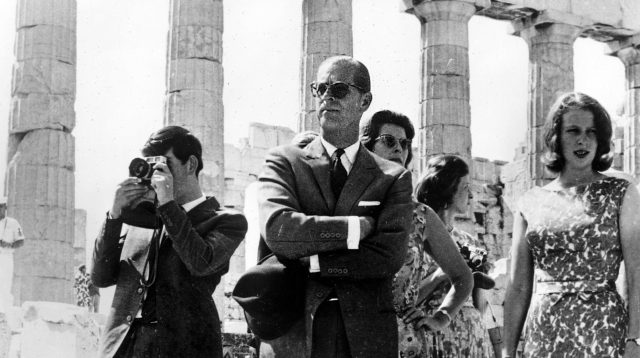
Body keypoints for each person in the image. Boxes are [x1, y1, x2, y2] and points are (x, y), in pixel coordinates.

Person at [257, 56, 414, 358]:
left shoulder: (393, 176)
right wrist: (357, 228)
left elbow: (387, 256)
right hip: (295, 330)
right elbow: (281, 231)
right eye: (320, 89)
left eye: (339, 90)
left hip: (364, 338)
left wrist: (316, 263)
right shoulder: (284, 161)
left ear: (365, 100)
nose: (327, 97)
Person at [91, 126, 248, 358]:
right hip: (123, 348)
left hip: (182, 348)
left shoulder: (226, 220)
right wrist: (114, 216)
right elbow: (101, 277)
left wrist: (167, 205)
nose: (156, 176)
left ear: (191, 165)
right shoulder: (141, 216)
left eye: (165, 166)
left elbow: (200, 263)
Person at [503, 92, 640, 357]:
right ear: (556, 138)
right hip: (545, 331)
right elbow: (518, 285)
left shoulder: (622, 192)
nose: (582, 140)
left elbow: (637, 271)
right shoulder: (530, 202)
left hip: (603, 329)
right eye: (573, 130)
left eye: (591, 132)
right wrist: (508, 350)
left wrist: (635, 339)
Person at [360, 111, 474, 358]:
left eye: (405, 144)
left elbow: (462, 276)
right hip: (349, 335)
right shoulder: (342, 207)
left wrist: (441, 317)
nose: (399, 149)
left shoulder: (421, 215)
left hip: (403, 342)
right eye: (389, 141)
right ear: (366, 148)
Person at [415, 155, 495, 357]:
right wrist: (439, 276)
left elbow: (481, 305)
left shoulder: (471, 242)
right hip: (433, 335)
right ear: (449, 189)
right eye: (466, 187)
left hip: (472, 337)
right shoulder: (417, 240)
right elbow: (405, 299)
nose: (471, 196)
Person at [0, 197, 25, 312]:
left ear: (5, 208)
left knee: (5, 284)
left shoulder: (13, 223)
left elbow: (21, 241)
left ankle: (3, 312)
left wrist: (9, 245)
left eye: (1, 206)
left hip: (6, 257)